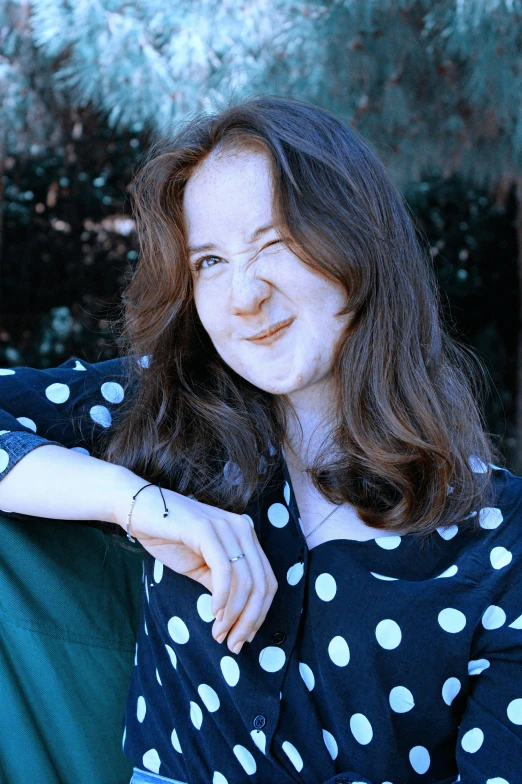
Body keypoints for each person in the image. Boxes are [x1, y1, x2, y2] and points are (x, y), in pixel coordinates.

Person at [0, 95, 520, 784]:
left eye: (275, 243)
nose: (243, 295)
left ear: (360, 243)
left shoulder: (500, 537)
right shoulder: (168, 409)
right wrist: (139, 504)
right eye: (209, 262)